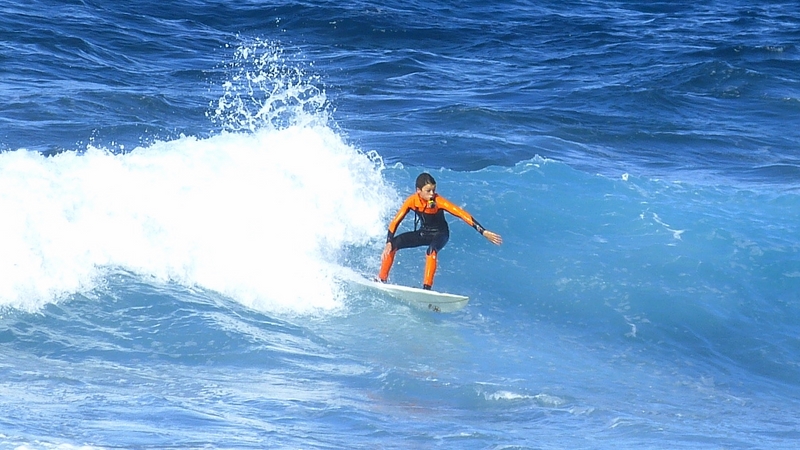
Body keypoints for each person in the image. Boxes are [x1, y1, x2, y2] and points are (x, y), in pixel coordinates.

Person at [377, 172, 503, 290]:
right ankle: (381, 280)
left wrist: (483, 231)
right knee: (393, 245)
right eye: (428, 191)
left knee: (431, 250)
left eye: (433, 190)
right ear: (418, 191)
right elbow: (395, 221)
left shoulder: (438, 202)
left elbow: (461, 213)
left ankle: (426, 289)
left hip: (440, 234)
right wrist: (388, 241)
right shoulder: (411, 201)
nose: (432, 194)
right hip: (424, 232)